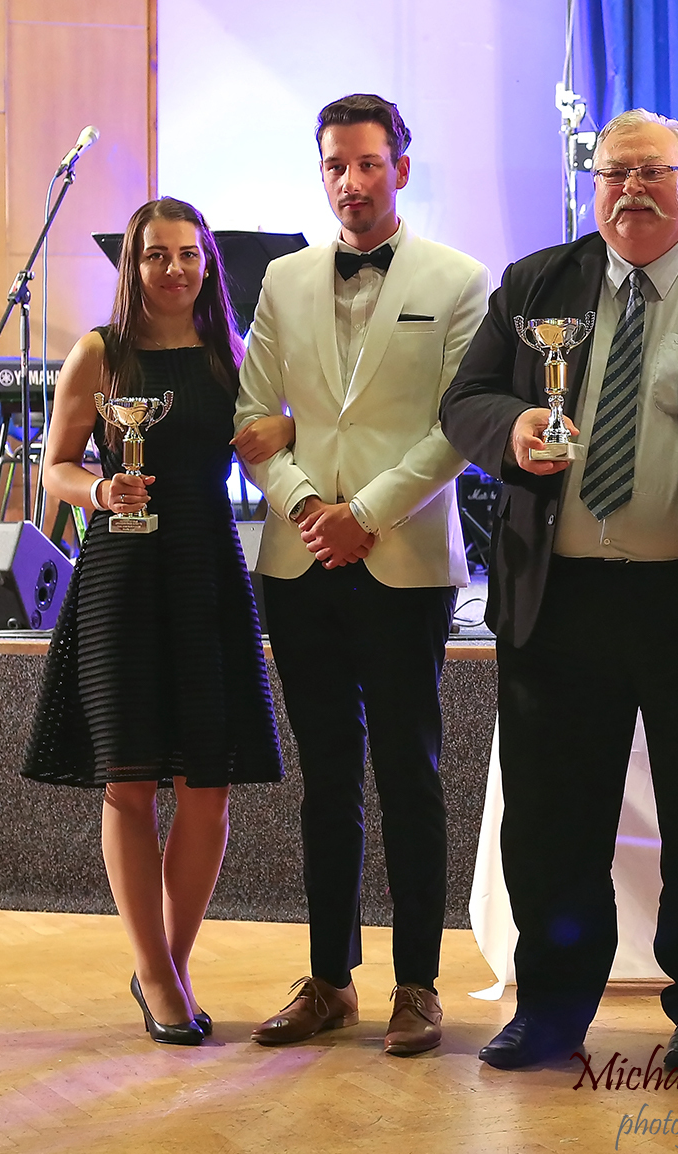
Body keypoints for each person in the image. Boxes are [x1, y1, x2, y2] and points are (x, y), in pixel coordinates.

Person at [441, 109, 678, 1071]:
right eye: (614, 173)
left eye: (653, 172)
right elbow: (464, 401)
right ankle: (550, 1007)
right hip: (559, 600)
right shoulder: (538, 282)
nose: (631, 189)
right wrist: (512, 432)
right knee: (552, 820)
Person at [235, 93, 490, 1057]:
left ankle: (417, 982)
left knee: (410, 774)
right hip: (299, 560)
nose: (350, 182)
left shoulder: (458, 278)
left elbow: (459, 424)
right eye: (335, 165)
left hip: (404, 559)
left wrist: (366, 515)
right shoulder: (283, 278)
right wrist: (311, 508)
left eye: (368, 163)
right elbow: (255, 417)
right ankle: (330, 980)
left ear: (402, 169)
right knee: (326, 779)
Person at [23, 197, 283, 1045]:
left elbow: (266, 446)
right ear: (131, 266)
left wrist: (286, 428)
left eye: (188, 254)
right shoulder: (99, 353)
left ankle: (170, 963)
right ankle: (157, 974)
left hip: (207, 570)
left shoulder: (230, 352)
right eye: (156, 255)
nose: (174, 269)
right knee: (129, 782)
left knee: (208, 790)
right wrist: (101, 489)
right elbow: (57, 466)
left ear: (209, 263)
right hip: (121, 575)